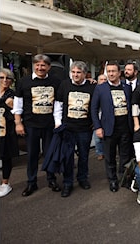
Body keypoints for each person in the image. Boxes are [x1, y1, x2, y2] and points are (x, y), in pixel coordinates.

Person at [13, 54, 62, 196]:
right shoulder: (23, 82)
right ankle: (31, 182)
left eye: (43, 65)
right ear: (34, 65)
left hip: (49, 125)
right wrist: (18, 123)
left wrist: (58, 122)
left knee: (49, 154)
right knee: (32, 155)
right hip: (30, 124)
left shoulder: (56, 82)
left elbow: (58, 104)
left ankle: (51, 179)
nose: (40, 68)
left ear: (48, 67)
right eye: (38, 65)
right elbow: (18, 104)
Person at [50, 61, 96, 197]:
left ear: (85, 74)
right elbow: (58, 104)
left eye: (78, 72)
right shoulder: (64, 85)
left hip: (84, 128)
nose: (75, 75)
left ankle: (82, 178)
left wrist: (95, 121)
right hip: (67, 128)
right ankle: (67, 182)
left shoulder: (92, 86)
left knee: (83, 156)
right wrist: (58, 122)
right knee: (68, 157)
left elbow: (96, 106)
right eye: (73, 72)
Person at [91, 60, 134, 192]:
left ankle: (123, 177)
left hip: (125, 127)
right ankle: (112, 180)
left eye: (113, 71)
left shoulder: (126, 88)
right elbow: (93, 109)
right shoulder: (100, 88)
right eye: (108, 71)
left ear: (119, 73)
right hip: (108, 128)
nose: (111, 74)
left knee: (125, 155)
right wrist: (97, 127)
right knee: (109, 156)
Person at [0, 68, 18, 197]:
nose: (5, 80)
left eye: (8, 78)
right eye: (1, 77)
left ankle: (5, 184)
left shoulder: (11, 94)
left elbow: (16, 109)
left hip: (5, 131)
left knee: (6, 157)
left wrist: (11, 105)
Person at [92, 74, 107, 160]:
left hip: (106, 116)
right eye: (101, 79)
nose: (103, 81)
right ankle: (100, 152)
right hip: (97, 116)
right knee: (97, 138)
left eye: (105, 79)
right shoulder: (94, 89)